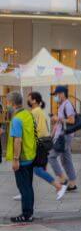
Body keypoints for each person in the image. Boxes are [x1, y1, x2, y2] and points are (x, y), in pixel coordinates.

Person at [26, 92, 68, 200]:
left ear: (34, 100)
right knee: (30, 168)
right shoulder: (39, 111)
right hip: (42, 143)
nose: (28, 100)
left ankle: (59, 186)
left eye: (29, 98)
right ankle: (24, 191)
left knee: (37, 169)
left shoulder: (35, 112)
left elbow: (37, 130)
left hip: (39, 144)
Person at [6, 92, 37, 223]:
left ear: (12, 103)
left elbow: (17, 140)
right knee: (28, 186)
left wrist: (15, 159)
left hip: (22, 158)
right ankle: (29, 212)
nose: (7, 105)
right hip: (30, 155)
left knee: (23, 187)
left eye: (8, 103)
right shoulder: (28, 114)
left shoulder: (16, 119)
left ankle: (26, 214)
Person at [49, 85, 78, 193]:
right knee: (66, 160)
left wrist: (58, 118)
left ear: (62, 94)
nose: (55, 97)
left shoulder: (67, 104)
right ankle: (72, 183)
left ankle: (63, 178)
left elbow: (71, 120)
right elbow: (60, 122)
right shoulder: (62, 105)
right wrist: (52, 133)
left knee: (51, 157)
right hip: (62, 135)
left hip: (65, 136)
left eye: (56, 95)